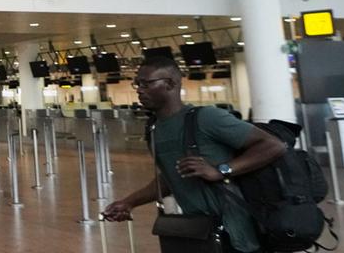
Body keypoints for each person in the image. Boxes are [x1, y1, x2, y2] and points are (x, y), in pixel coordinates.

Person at [101, 57, 285, 253]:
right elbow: (171, 178)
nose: (139, 89)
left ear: (171, 84)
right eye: (137, 83)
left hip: (235, 233)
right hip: (199, 232)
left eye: (146, 83)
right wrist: (129, 202)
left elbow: (273, 145)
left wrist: (221, 170)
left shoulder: (207, 118)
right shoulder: (154, 129)